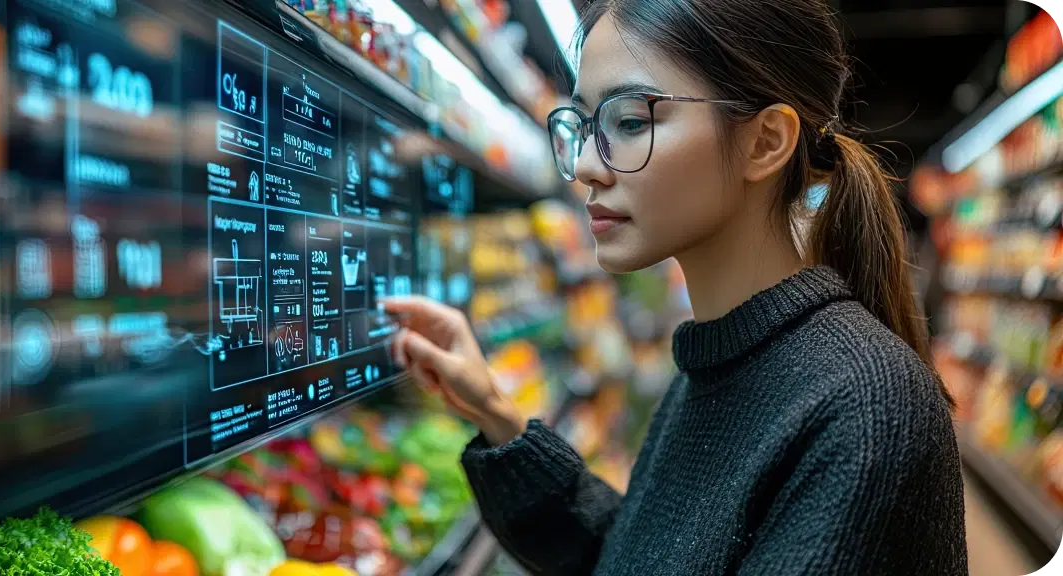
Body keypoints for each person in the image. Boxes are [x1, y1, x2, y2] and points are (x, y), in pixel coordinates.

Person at [384, 0, 967, 573]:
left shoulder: (863, 405)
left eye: (630, 121)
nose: (586, 162)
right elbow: (639, 555)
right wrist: (493, 412)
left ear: (764, 143)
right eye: (583, 126)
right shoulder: (715, 364)